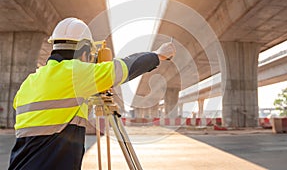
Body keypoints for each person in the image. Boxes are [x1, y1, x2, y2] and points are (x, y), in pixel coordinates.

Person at [8, 17, 176, 170]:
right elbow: (124, 67)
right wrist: (158, 55)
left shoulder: (29, 82)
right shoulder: (77, 74)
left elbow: (54, 112)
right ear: (83, 52)